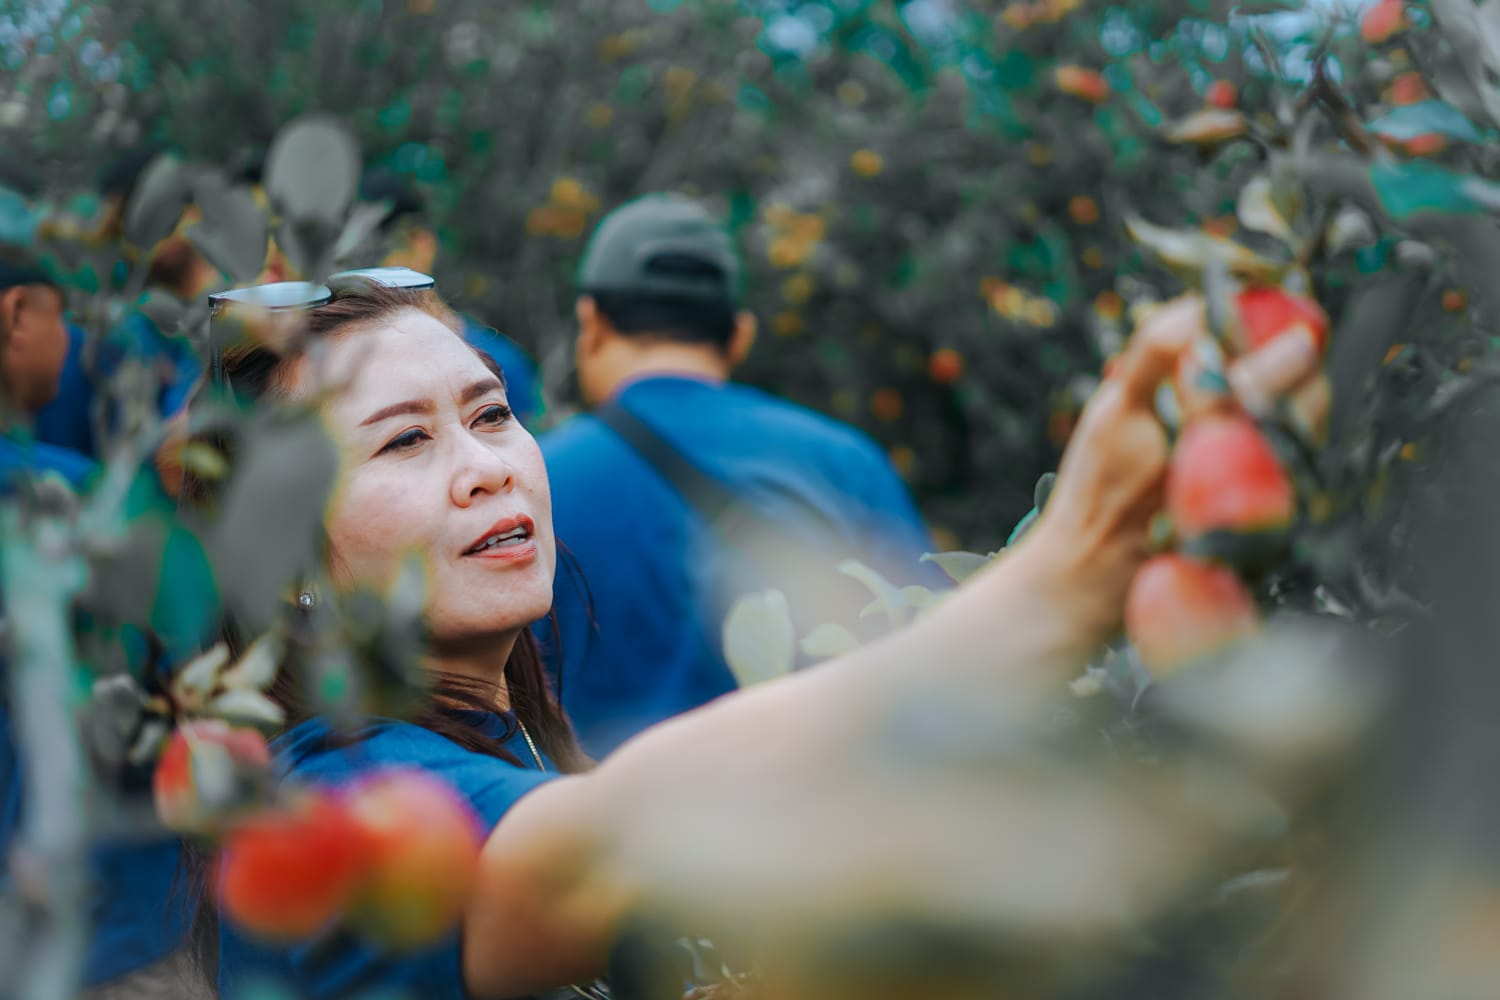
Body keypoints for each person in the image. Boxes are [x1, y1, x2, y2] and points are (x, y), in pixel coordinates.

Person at [181, 277, 1323, 999]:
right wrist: (1059, 583)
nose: (487, 465)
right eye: (403, 442)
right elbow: (598, 851)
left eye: (490, 413)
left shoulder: (506, 750)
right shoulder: (330, 819)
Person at [538, 193, 944, 755]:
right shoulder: (848, 463)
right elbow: (932, 662)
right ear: (740, 335)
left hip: (605, 807)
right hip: (813, 804)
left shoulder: (532, 482)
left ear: (592, 323)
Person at [0, 252, 193, 997]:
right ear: (18, 315)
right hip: (112, 928)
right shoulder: (62, 495)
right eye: (62, 318)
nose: (71, 343)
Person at [358, 167, 546, 425]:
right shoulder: (340, 373)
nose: (361, 273)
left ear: (420, 244)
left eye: (378, 251)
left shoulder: (498, 363)